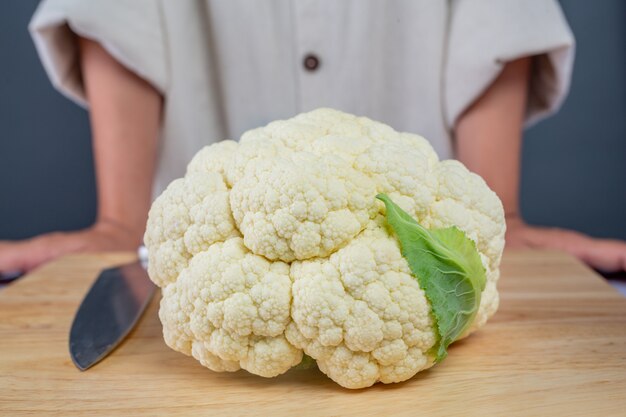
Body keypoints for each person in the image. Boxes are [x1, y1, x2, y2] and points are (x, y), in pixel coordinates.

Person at [1, 0, 625, 274]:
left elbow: (494, 20)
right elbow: (116, 14)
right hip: (193, 240)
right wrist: (120, 220)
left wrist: (498, 213)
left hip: (420, 231)